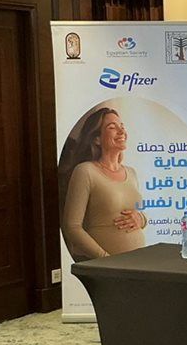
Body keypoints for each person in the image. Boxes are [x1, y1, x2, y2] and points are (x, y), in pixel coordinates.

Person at [62, 107, 147, 262]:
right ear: (97, 139)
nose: (121, 131)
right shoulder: (85, 171)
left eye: (122, 126)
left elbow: (137, 212)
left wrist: (141, 219)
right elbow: (72, 227)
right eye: (112, 127)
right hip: (105, 267)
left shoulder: (132, 173)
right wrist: (106, 260)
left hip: (137, 265)